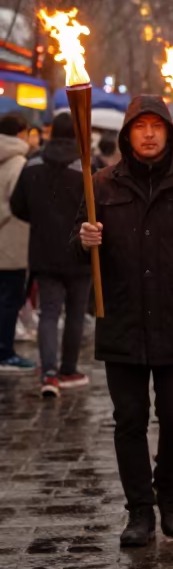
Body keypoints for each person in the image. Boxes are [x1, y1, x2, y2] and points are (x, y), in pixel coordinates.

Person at [76, 95, 173, 547]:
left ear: (169, 133)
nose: (148, 133)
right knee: (129, 420)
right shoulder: (101, 184)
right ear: (126, 134)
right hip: (122, 318)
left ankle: (169, 492)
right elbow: (76, 249)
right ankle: (139, 510)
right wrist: (82, 240)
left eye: (156, 126)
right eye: (139, 126)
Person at [10, 112, 92, 397]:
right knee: (75, 314)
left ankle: (48, 373)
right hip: (79, 252)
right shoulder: (84, 167)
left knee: (49, 312)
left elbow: (17, 205)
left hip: (43, 250)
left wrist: (40, 219)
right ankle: (68, 369)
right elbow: (96, 208)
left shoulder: (32, 165)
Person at [0, 114, 35, 375]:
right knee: (10, 298)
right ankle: (5, 352)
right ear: (20, 134)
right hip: (11, 240)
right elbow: (18, 202)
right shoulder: (19, 163)